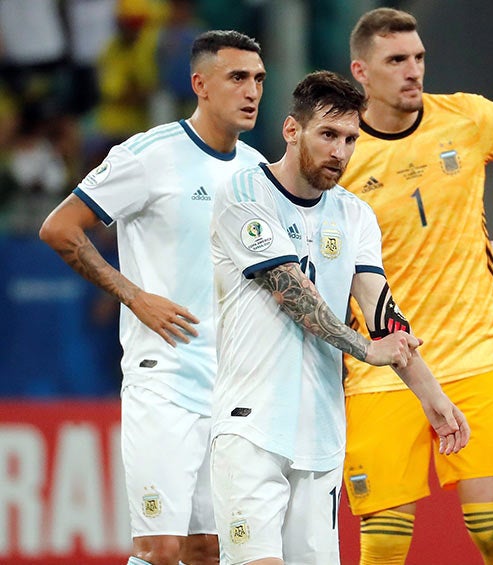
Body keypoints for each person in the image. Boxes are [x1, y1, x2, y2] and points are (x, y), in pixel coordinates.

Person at [209, 70, 469, 565]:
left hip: (322, 434)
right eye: (328, 135)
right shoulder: (244, 192)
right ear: (292, 130)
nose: (341, 152)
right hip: (251, 426)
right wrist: (366, 349)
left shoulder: (354, 214)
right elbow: (291, 290)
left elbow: (382, 313)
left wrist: (432, 396)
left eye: (350, 139)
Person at [38, 30, 267, 565]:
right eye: (237, 77)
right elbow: (59, 227)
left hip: (232, 386)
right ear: (200, 84)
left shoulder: (258, 171)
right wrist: (135, 296)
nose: (252, 91)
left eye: (259, 79)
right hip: (164, 378)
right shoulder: (149, 155)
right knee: (159, 548)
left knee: (210, 549)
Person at [339, 7, 493, 564]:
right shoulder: (339, 148)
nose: (413, 70)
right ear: (361, 71)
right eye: (396, 60)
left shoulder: (467, 117)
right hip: (382, 365)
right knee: (383, 547)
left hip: (475, 354)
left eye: (418, 57)